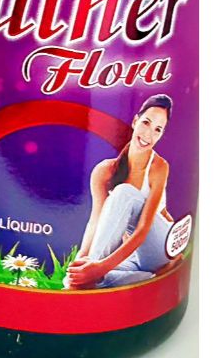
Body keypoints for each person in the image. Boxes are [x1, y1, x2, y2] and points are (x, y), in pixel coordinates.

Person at [66, 95, 177, 289]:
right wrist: (79, 264)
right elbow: (96, 222)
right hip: (134, 256)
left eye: (158, 130)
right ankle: (149, 277)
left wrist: (98, 268)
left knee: (124, 193)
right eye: (146, 123)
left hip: (160, 246)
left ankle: (93, 277)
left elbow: (143, 230)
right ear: (135, 121)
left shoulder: (159, 167)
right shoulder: (105, 171)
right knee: (76, 278)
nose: (149, 134)